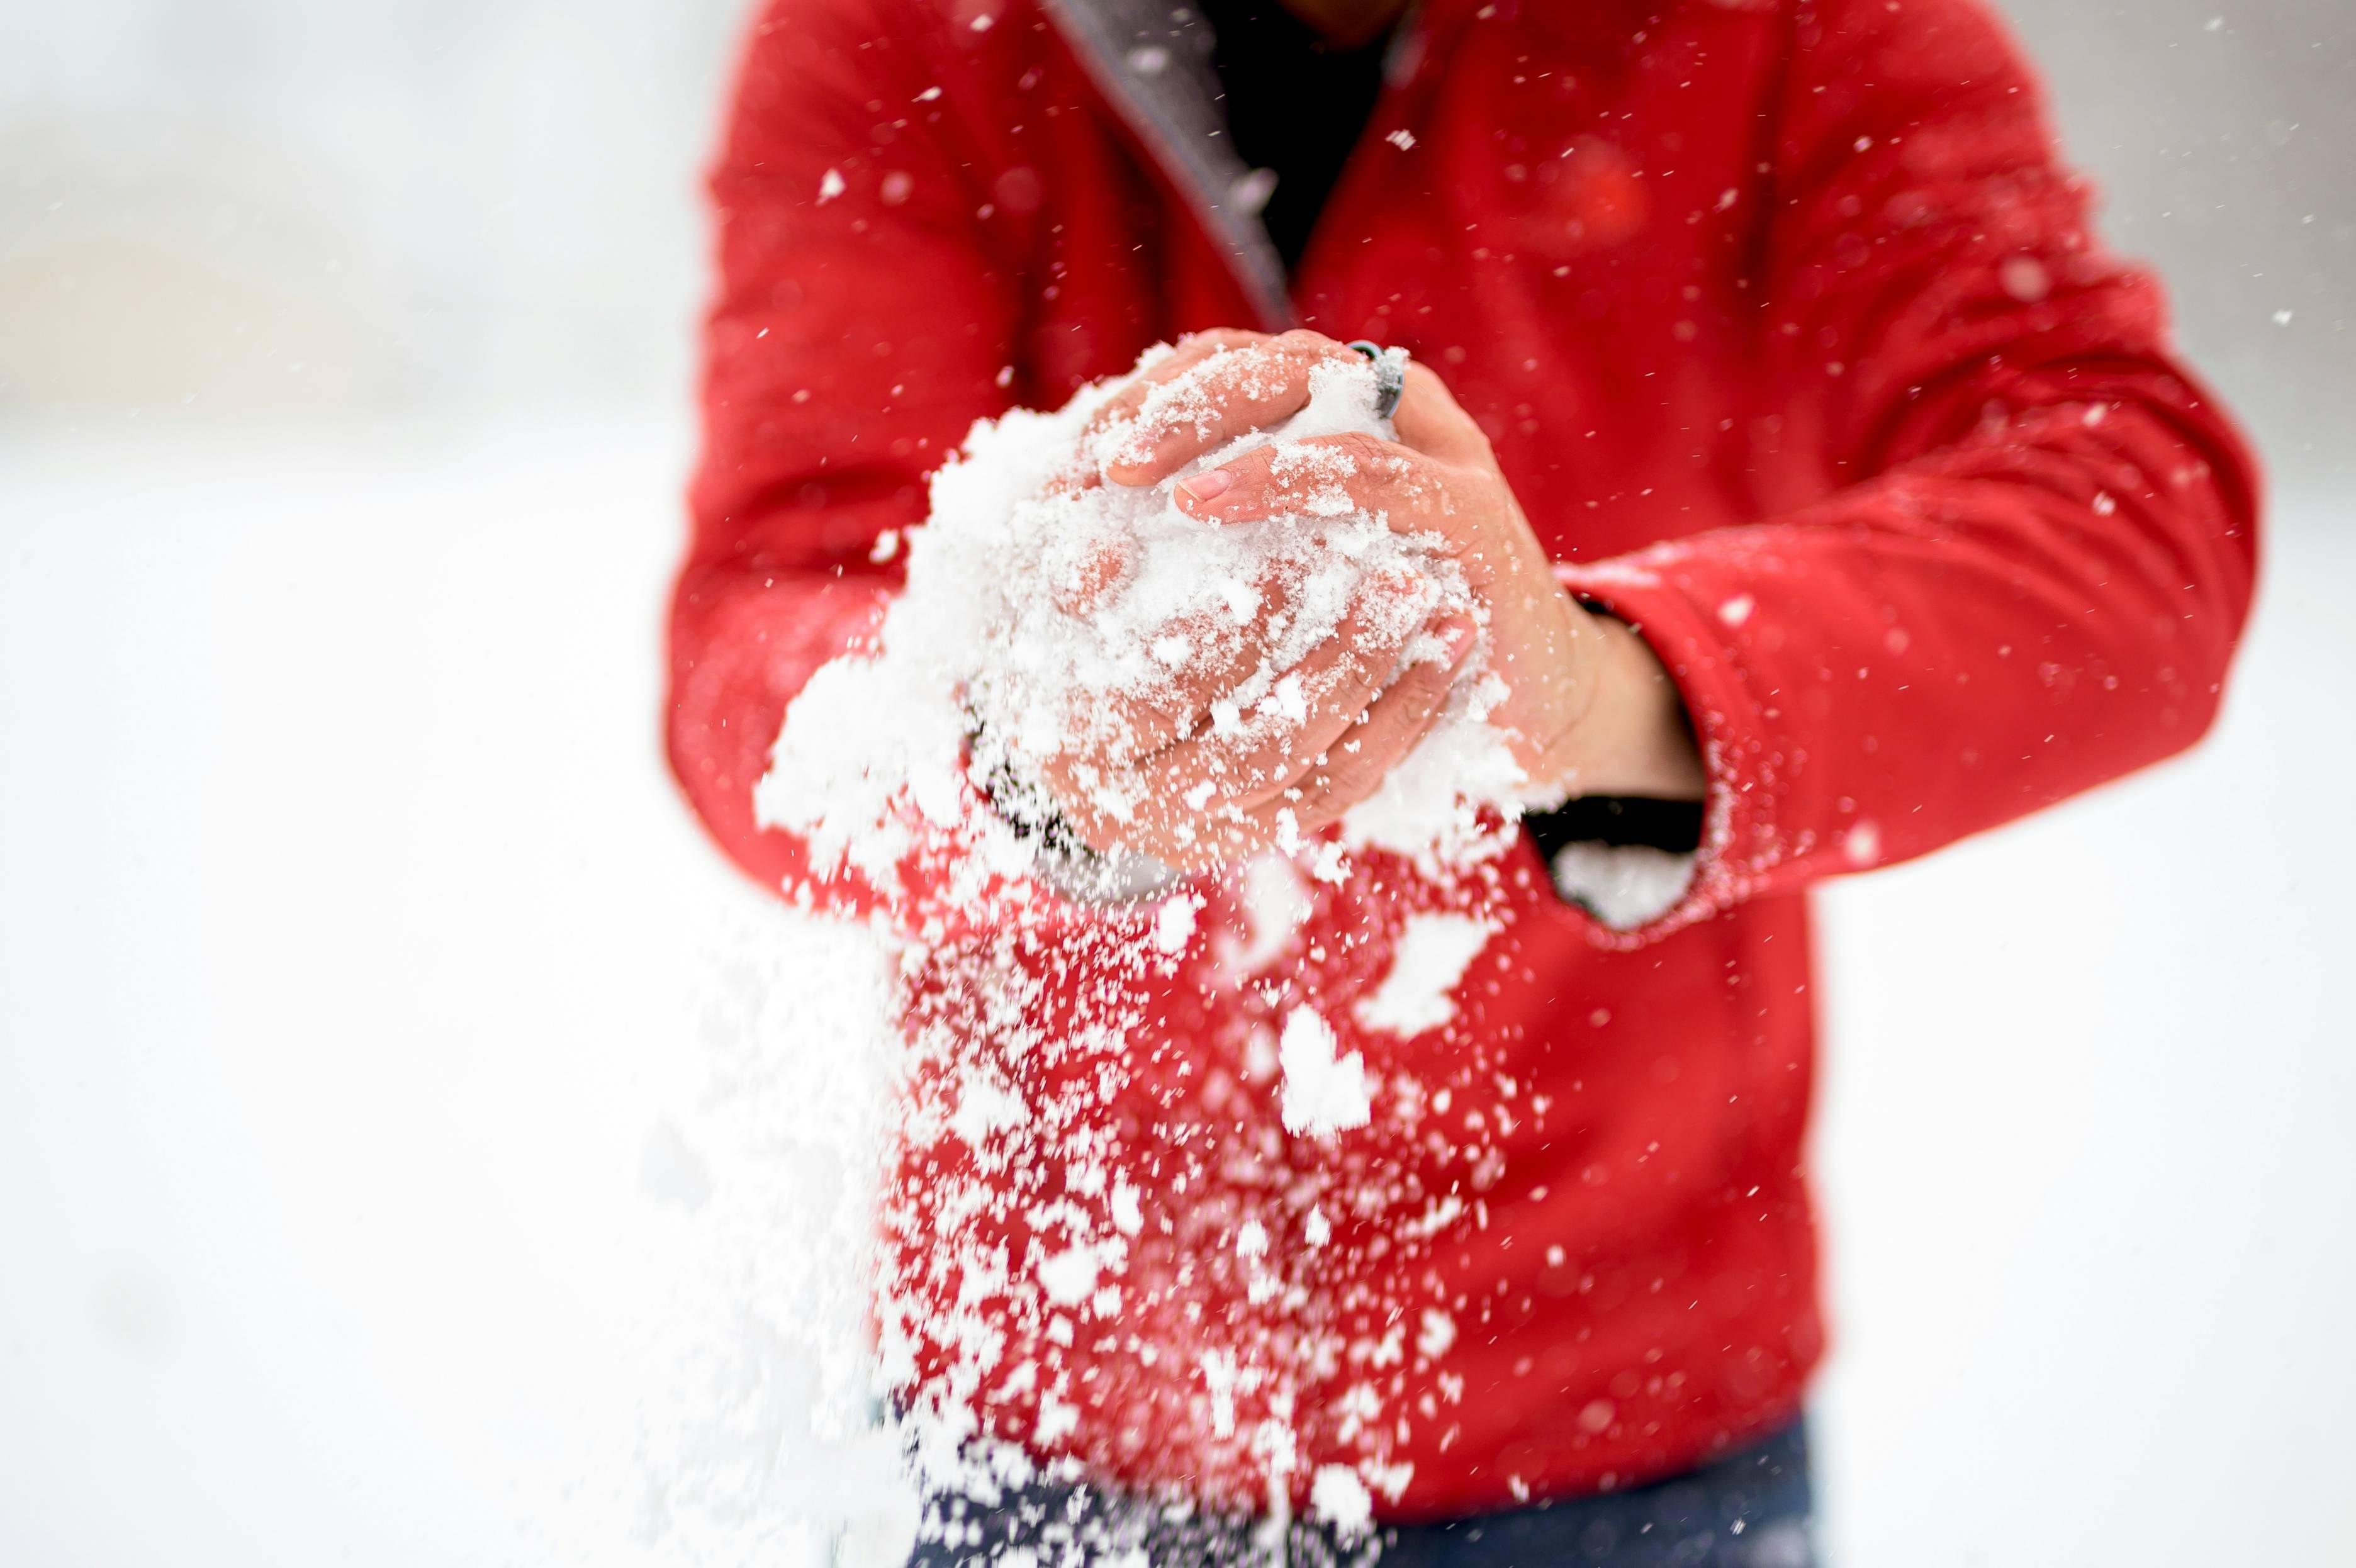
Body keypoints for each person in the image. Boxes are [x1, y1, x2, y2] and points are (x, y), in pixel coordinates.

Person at [665, 0, 2258, 1561]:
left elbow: (2132, 524)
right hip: (1044, 1413)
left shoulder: (1797, 29)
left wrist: (1600, 684)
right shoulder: (895, 30)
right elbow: (763, 640)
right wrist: (1018, 758)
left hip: (1628, 1431)